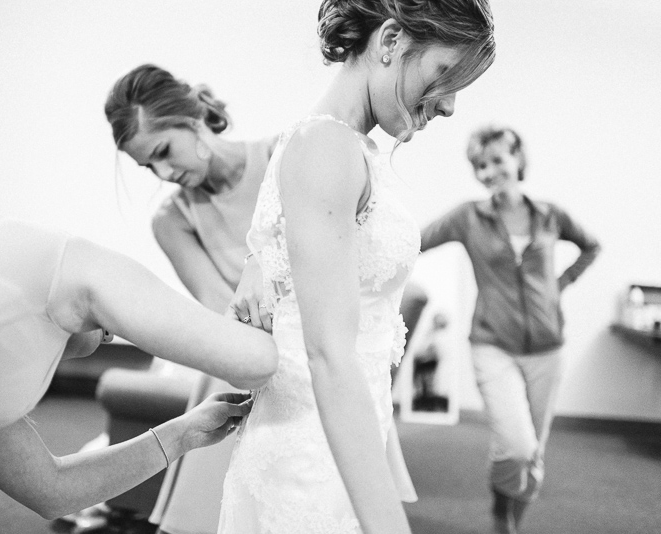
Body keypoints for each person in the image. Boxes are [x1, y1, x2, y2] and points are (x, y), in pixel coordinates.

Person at [219, 1, 496, 533]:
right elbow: (330, 355)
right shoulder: (325, 146)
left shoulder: (339, 144)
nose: (451, 106)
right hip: (312, 448)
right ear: (390, 41)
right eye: (445, 75)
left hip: (337, 433)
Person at [0, 219, 278, 534]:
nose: (114, 333)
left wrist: (183, 433)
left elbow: (51, 490)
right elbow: (253, 361)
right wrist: (260, 258)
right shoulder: (83, 264)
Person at [104, 64, 277, 534]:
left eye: (163, 152)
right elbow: (220, 310)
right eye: (147, 166)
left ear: (191, 119)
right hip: (239, 359)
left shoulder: (284, 157)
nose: (163, 173)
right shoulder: (171, 219)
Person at [419, 125, 601, 533]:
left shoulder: (550, 215)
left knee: (532, 452)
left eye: (497, 160)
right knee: (516, 447)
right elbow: (413, 241)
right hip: (492, 345)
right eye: (480, 165)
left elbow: (592, 245)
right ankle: (501, 512)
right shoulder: (468, 217)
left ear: (518, 160)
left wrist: (561, 284)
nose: (488, 172)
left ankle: (509, 522)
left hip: (548, 348)